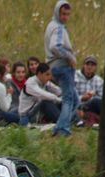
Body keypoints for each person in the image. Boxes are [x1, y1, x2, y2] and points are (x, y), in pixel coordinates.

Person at [45, 1, 77, 136]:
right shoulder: (58, 27)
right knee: (68, 99)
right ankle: (62, 129)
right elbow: (55, 46)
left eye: (68, 14)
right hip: (62, 65)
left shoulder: (51, 26)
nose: (65, 17)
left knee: (75, 99)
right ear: (57, 12)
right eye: (63, 14)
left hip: (53, 66)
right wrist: (69, 57)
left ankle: (61, 125)